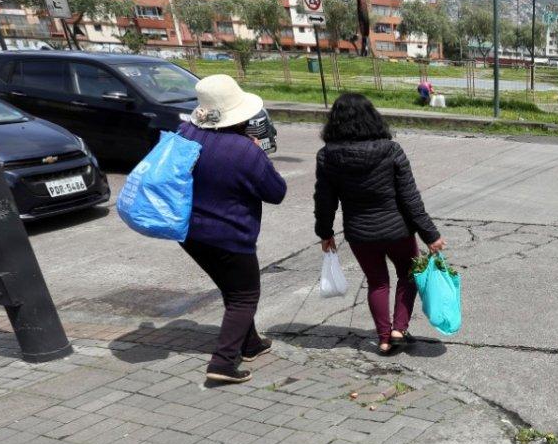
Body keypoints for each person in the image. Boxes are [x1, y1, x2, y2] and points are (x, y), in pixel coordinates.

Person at [314, 93, 446, 355]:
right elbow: (410, 198)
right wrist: (430, 235)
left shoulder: (327, 156)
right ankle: (399, 329)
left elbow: (324, 200)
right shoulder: (391, 150)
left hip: (360, 233)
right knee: (408, 276)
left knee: (377, 283)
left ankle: (384, 339)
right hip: (398, 230)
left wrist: (325, 232)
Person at [178, 75, 287, 383]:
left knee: (232, 287)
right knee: (244, 295)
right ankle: (223, 362)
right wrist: (258, 155)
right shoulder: (244, 151)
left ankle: (250, 343)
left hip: (189, 232)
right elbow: (276, 192)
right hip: (229, 235)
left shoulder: (185, 132)